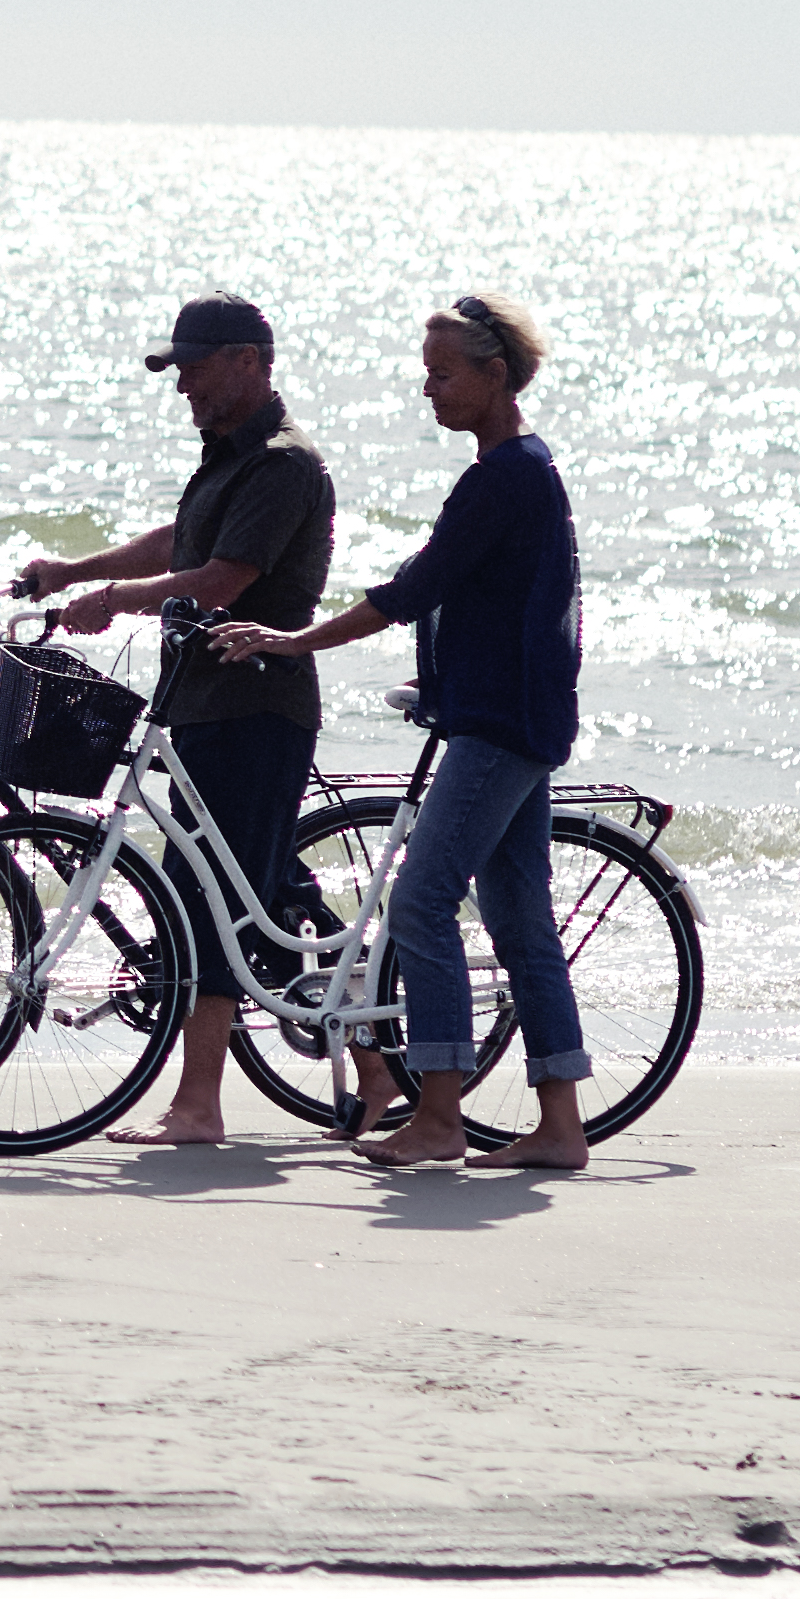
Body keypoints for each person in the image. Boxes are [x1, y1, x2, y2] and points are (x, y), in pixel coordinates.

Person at [202, 290, 585, 1171]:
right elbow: (501, 604)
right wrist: (444, 678)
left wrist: (292, 639)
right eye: (425, 374)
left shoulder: (507, 477)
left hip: (499, 729)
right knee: (521, 921)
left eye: (443, 375)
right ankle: (560, 1126)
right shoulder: (524, 469)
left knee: (420, 900)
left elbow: (414, 589)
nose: (428, 390)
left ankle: (440, 1113)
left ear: (495, 375)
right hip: (517, 720)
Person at [4, 294, 343, 1147]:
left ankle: (198, 1107)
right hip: (203, 705)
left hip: (254, 706)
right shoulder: (229, 458)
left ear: (248, 361)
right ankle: (375, 1068)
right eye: (176, 368)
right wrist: (72, 572)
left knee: (205, 902)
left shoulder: (283, 463)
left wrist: (114, 600)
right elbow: (180, 543)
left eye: (194, 367)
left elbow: (221, 580)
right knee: (262, 888)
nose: (182, 383)